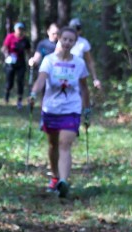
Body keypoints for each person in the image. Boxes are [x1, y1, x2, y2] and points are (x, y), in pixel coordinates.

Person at [28, 26, 91, 198]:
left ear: (75, 42)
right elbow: (41, 80)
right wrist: (33, 93)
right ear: (59, 40)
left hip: (71, 109)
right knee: (53, 144)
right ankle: (55, 177)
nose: (67, 43)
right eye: (65, 39)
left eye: (71, 40)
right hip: (51, 109)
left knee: (65, 144)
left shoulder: (79, 63)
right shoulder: (48, 60)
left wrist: (87, 108)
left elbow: (84, 88)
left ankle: (63, 181)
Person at [1, 22, 32, 108]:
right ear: (15, 29)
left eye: (21, 29)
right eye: (18, 29)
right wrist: (7, 56)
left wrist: (31, 60)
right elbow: (4, 48)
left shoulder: (25, 39)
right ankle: (6, 97)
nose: (20, 31)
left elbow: (29, 51)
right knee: (9, 81)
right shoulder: (10, 37)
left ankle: (19, 101)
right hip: (10, 63)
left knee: (20, 81)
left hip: (21, 63)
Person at [65, 18, 101, 90]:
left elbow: (89, 61)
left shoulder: (83, 43)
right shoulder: (64, 41)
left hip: (78, 75)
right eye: (73, 28)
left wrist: (95, 78)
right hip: (64, 74)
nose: (75, 31)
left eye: (78, 28)